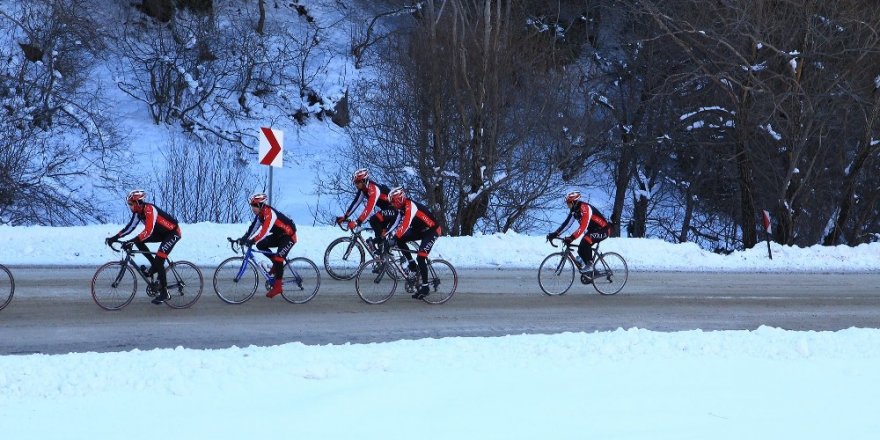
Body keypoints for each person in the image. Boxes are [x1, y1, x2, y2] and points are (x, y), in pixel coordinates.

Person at [105, 190, 181, 305]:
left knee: (160, 258)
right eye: (129, 204)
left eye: (131, 204)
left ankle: (165, 293)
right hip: (161, 233)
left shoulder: (150, 210)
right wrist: (114, 238)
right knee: (139, 242)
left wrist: (131, 241)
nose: (130, 207)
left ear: (138, 202)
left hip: (172, 233)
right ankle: (153, 269)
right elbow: (130, 227)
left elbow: (148, 231)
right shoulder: (138, 212)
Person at [383, 187, 441, 299]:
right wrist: (385, 236)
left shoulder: (411, 206)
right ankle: (412, 265)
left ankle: (425, 287)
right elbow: (396, 223)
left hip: (432, 230)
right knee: (400, 239)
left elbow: (405, 223)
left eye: (393, 202)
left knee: (421, 257)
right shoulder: (401, 208)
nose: (393, 205)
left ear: (399, 200)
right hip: (419, 230)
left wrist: (395, 237)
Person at [238, 193, 297, 298]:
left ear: (261, 205)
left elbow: (265, 231)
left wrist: (253, 240)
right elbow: (253, 228)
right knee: (261, 245)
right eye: (252, 205)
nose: (253, 208)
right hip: (279, 236)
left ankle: (278, 287)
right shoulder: (260, 215)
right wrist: (244, 238)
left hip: (289, 236)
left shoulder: (269, 214)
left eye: (254, 205)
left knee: (279, 258)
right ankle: (276, 264)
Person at [546, 191, 612, 276]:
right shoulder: (574, 210)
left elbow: (583, 227)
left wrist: (571, 238)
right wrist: (555, 234)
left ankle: (590, 265)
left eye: (568, 203)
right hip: (593, 230)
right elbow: (566, 224)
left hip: (604, 230)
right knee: (581, 249)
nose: (567, 205)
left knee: (586, 241)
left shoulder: (585, 209)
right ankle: (592, 273)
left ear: (574, 202)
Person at [336, 168, 398, 252]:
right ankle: (382, 257)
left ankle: (383, 247)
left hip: (395, 209)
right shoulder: (363, 189)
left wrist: (357, 222)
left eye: (358, 182)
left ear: (364, 180)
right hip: (386, 209)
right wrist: (345, 216)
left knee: (374, 220)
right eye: (355, 182)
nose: (356, 185)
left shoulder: (373, 189)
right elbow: (355, 203)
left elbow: (369, 208)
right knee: (378, 228)